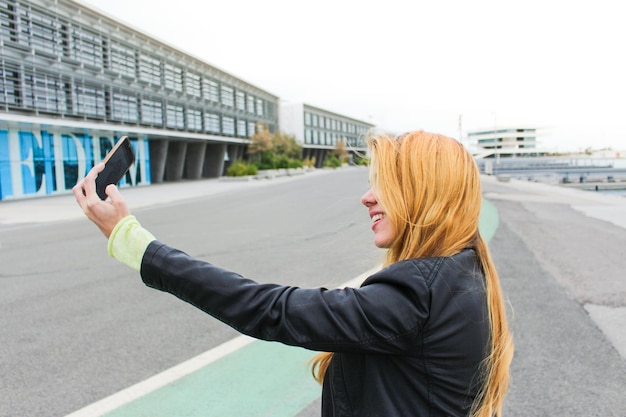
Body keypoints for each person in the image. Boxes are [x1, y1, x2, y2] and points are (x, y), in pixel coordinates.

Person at [74, 130, 514, 417]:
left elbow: (269, 309)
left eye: (383, 183)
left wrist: (132, 241)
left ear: (423, 194)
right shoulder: (464, 271)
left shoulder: (416, 292)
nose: (366, 197)